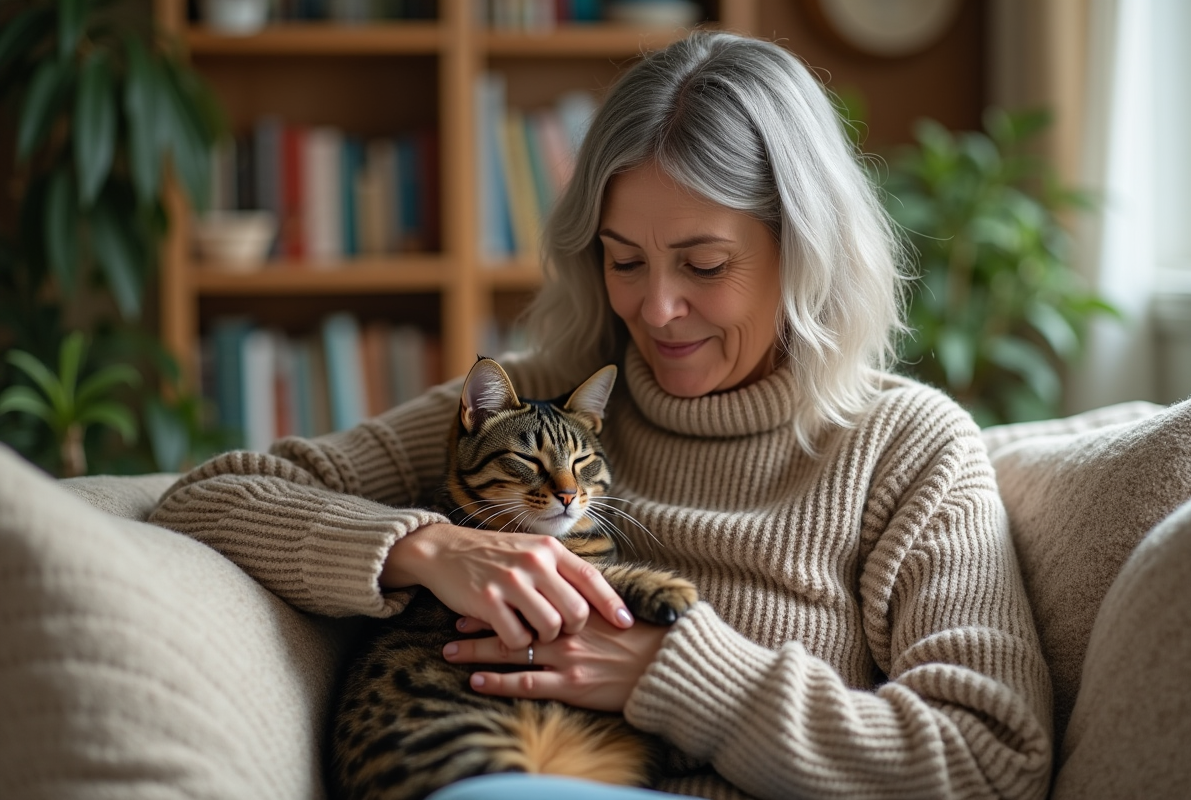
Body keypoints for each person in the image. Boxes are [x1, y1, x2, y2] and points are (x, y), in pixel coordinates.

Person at [149, 31, 1053, 800]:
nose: (655, 310)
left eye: (702, 266)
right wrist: (429, 548)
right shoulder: (545, 405)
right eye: (625, 262)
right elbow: (209, 500)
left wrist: (677, 677)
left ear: (806, 253)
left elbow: (991, 757)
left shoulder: (910, 449)